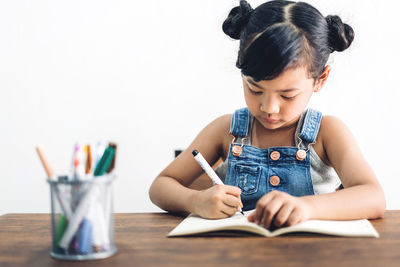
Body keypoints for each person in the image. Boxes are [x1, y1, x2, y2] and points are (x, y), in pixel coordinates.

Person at [149, 0, 386, 229]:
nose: (269, 107)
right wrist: (196, 201)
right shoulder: (226, 131)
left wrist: (307, 207)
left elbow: (373, 197)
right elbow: (161, 186)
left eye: (287, 95)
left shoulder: (328, 133)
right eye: (255, 89)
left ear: (320, 79)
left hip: (313, 253)